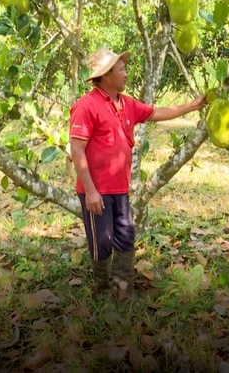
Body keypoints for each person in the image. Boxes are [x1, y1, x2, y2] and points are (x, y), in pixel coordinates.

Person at [70, 47, 206, 299]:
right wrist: (90, 191)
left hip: (120, 189)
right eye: (121, 69)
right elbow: (77, 150)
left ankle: (123, 290)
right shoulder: (87, 106)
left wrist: (192, 106)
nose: (126, 73)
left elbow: (158, 113)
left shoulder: (127, 103)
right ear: (106, 75)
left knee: (125, 238)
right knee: (101, 243)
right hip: (96, 191)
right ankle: (101, 291)